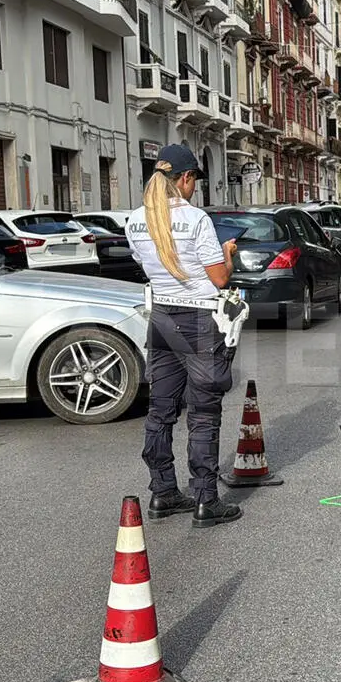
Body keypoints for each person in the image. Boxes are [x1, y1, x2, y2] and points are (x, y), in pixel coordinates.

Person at [127, 144, 242, 528]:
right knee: (204, 412)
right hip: (198, 321)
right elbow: (219, 279)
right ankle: (206, 500)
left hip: (162, 318)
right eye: (194, 180)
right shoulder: (196, 219)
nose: (195, 188)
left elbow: (148, 266)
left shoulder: (135, 220)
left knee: (160, 410)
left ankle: (162, 492)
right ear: (186, 178)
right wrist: (227, 255)